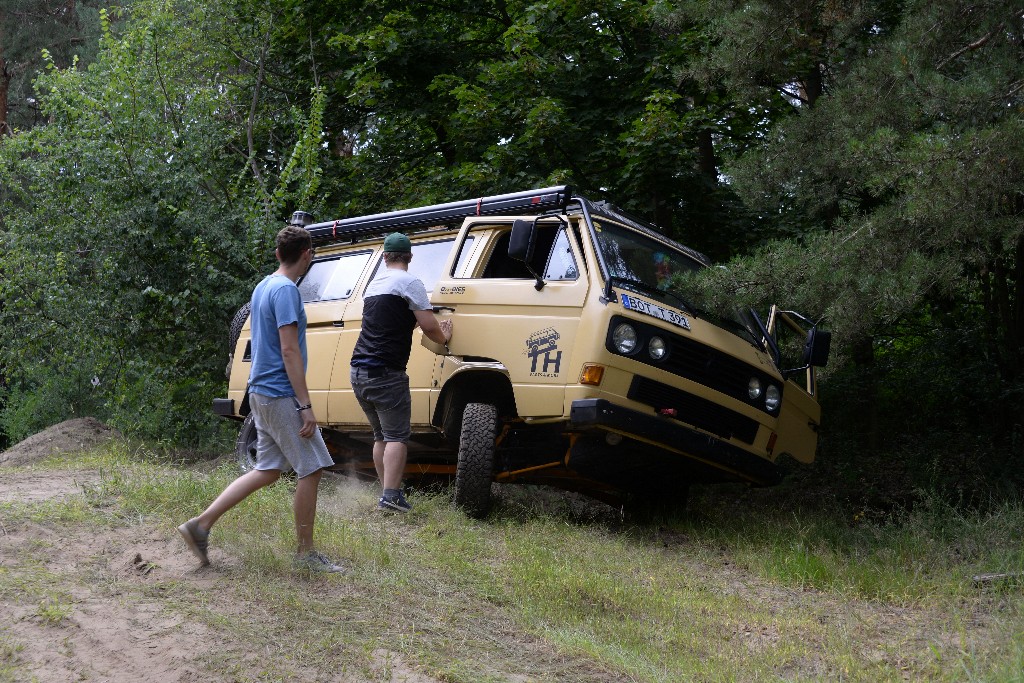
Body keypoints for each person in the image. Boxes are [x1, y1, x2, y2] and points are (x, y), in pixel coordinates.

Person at [177, 226, 344, 572]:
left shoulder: (263, 286)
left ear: (278, 254)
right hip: (280, 393)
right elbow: (288, 349)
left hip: (259, 392)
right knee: (311, 469)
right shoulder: (286, 290)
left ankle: (201, 525)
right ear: (307, 254)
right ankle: (306, 554)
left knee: (268, 470)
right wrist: (305, 405)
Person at [350, 232, 453, 512]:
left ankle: (387, 493)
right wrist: (443, 337)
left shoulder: (374, 285)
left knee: (380, 435)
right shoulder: (411, 282)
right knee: (396, 436)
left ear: (384, 257)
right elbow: (429, 325)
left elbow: (389, 324)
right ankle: (392, 497)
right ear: (410, 257)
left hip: (358, 370)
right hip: (385, 373)